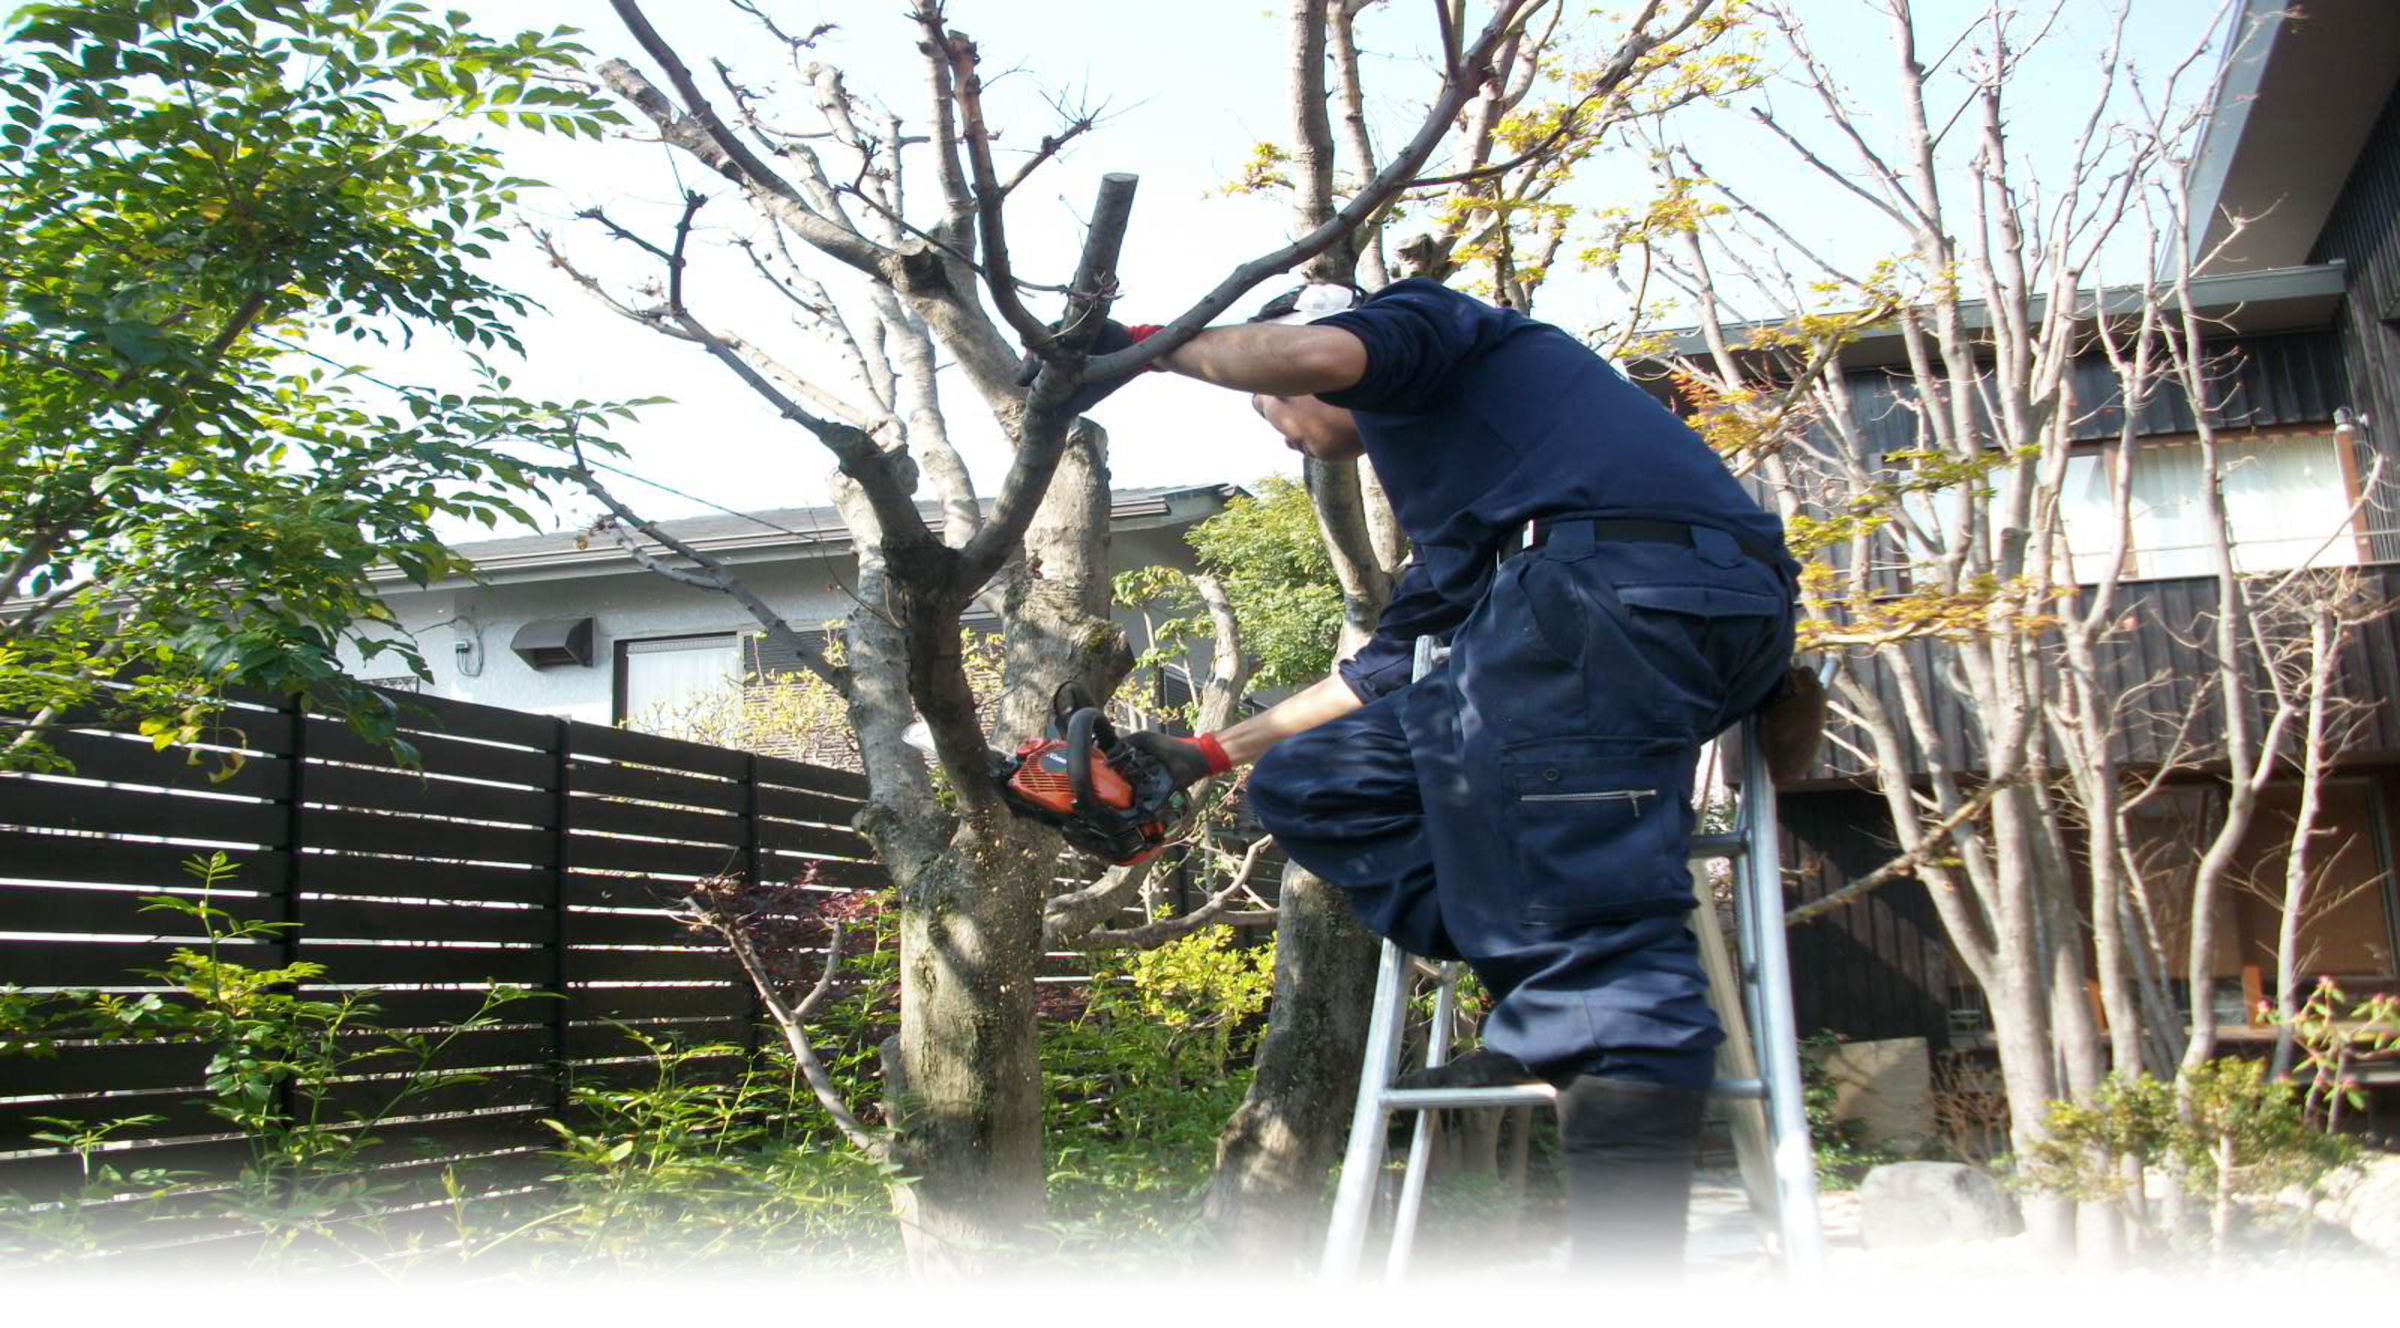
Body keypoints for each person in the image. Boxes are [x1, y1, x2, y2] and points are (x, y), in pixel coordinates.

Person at [1052, 278, 1817, 1275]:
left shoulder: (1424, 327)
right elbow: (1383, 664)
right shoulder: (1483, 479)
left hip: (1600, 603)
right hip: (1633, 616)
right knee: (1322, 784)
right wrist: (1204, 755)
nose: (1280, 432)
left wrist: (1146, 345)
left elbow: (1318, 359)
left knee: (1599, 951)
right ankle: (1542, 997)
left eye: (1266, 405)